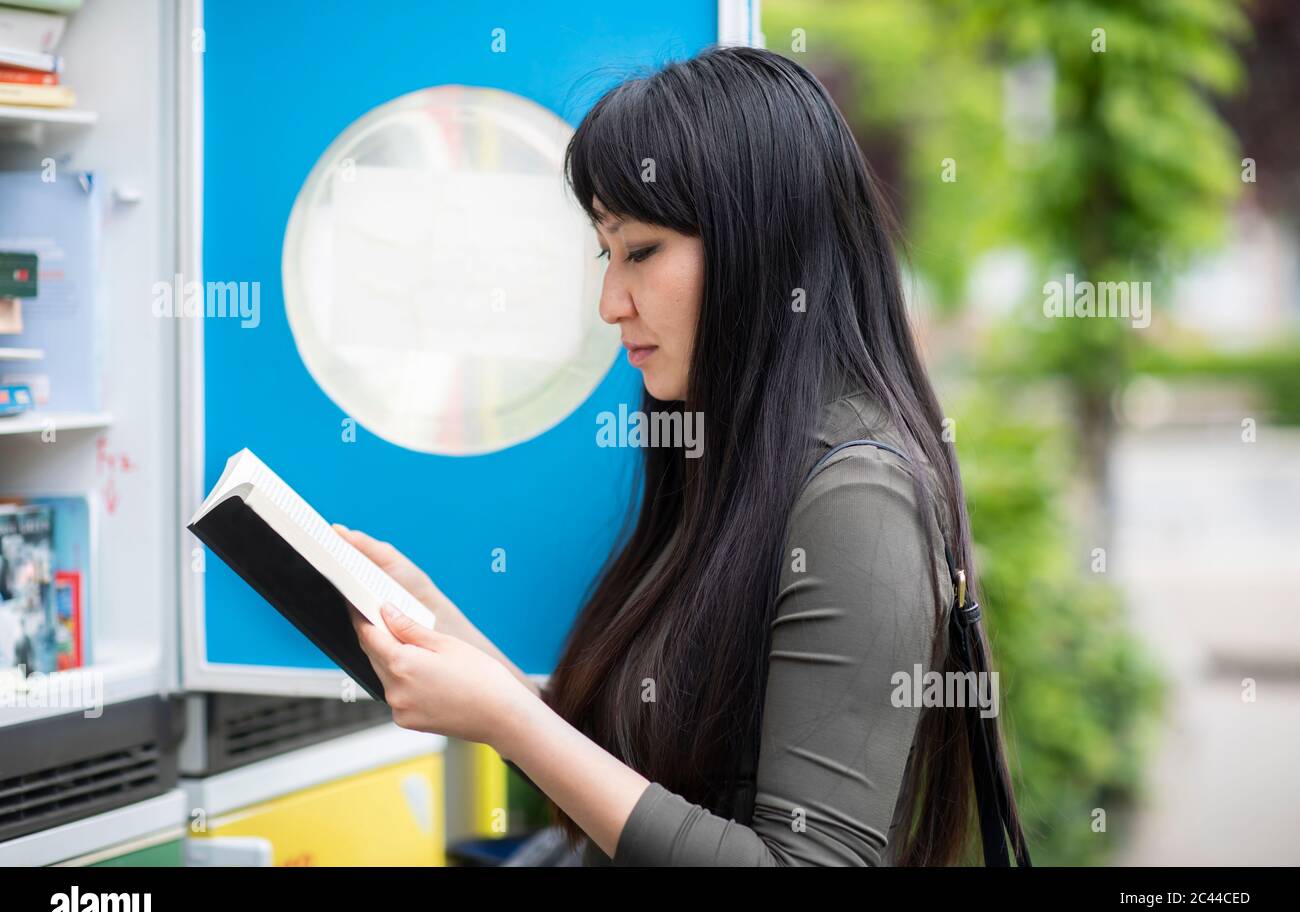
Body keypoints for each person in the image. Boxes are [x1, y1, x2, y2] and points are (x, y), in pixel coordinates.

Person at [341, 45, 1027, 866]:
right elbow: (653, 779)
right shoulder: (732, 449)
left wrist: (508, 719)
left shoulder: (858, 494)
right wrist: (457, 648)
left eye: (641, 251)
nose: (609, 302)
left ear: (759, 246)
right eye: (606, 252)